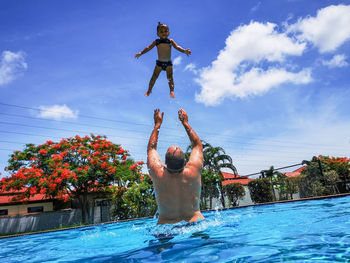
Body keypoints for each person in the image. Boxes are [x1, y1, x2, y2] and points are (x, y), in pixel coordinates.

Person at [147, 108, 204, 224]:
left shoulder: (158, 173)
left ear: (165, 163)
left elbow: (151, 148)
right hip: (195, 222)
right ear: (185, 162)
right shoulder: (193, 170)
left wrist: (157, 125)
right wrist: (185, 123)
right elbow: (197, 145)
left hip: (166, 226)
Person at [135, 22, 191, 98]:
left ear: (169, 33)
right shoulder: (157, 42)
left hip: (168, 64)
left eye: (165, 31)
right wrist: (141, 53)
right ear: (158, 34)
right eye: (161, 32)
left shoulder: (170, 41)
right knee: (154, 77)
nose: (163, 33)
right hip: (159, 63)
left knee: (170, 78)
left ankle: (171, 91)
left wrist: (184, 51)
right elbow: (148, 48)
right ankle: (149, 90)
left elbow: (177, 47)